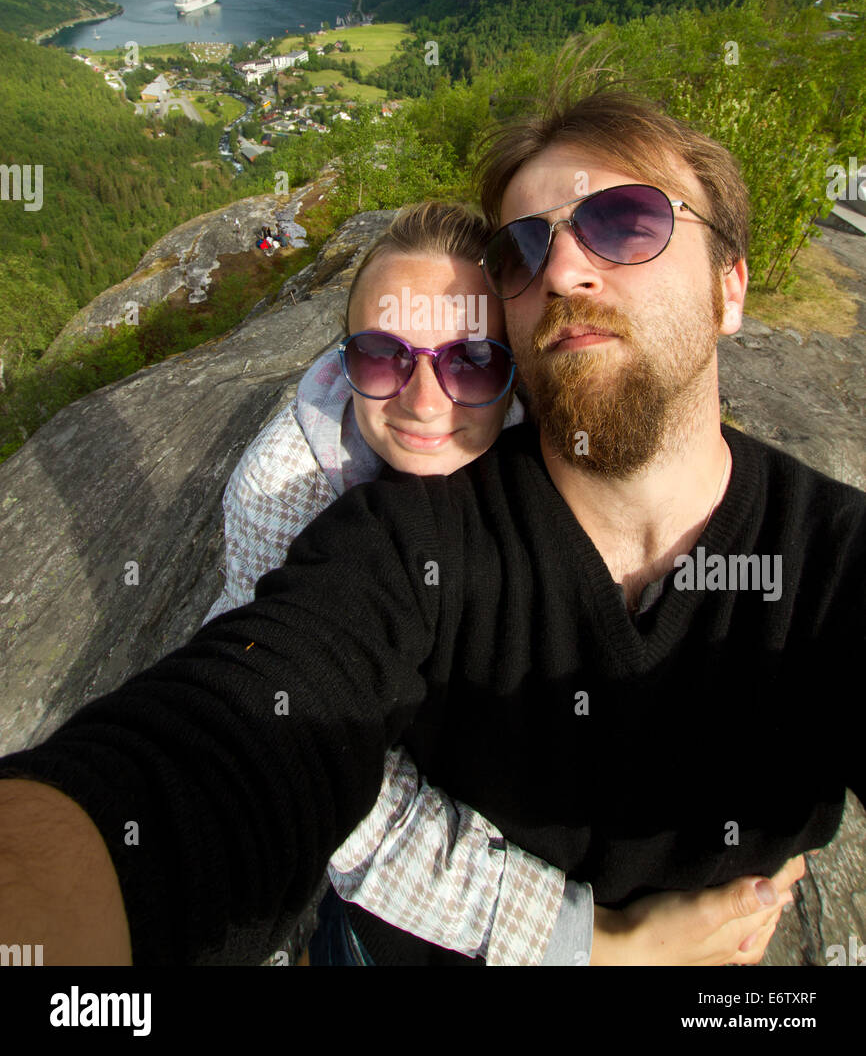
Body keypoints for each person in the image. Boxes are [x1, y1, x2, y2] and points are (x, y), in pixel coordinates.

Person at [1, 90, 856, 967]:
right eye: (524, 249)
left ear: (730, 287)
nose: (562, 271)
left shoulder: (831, 558)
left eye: (627, 222)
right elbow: (243, 734)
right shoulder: (389, 534)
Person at [209, 199, 796, 965]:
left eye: (471, 361)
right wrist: (597, 943)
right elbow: (323, 780)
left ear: (517, 362)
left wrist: (756, 828)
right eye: (383, 356)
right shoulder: (287, 491)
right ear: (344, 354)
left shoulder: (555, 421)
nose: (424, 403)